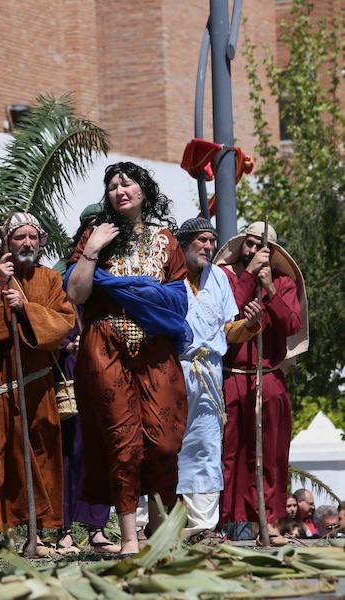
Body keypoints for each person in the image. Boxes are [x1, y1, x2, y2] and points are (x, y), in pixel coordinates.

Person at [65, 162, 190, 555]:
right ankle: (131, 540)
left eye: (127, 183)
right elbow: (77, 294)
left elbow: (177, 299)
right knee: (124, 443)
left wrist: (143, 293)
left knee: (165, 442)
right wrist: (91, 250)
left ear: (143, 190)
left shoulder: (165, 239)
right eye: (113, 185)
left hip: (155, 349)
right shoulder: (95, 235)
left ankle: (160, 530)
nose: (120, 190)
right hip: (107, 346)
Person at [0, 212, 75, 558]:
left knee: (41, 455)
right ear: (6, 242)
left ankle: (38, 533)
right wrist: (0, 289)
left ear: (41, 242)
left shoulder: (49, 278)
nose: (26, 243)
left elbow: (63, 323)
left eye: (32, 237)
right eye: (19, 237)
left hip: (37, 384)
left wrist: (26, 309)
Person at [215, 222, 307, 536]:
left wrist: (269, 289)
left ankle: (273, 524)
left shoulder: (282, 282)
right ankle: (232, 525)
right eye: (250, 243)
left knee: (272, 456)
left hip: (268, 378)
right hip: (233, 378)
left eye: (260, 246)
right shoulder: (225, 277)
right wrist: (248, 277)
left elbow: (293, 323)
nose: (253, 250)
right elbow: (221, 316)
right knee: (231, 456)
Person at [175, 218, 263, 536]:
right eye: (202, 240)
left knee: (205, 446)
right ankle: (152, 522)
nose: (210, 247)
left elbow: (229, 331)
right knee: (162, 444)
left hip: (209, 372)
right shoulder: (167, 276)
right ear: (183, 243)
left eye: (212, 241)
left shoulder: (220, 280)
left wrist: (250, 325)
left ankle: (201, 525)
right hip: (170, 368)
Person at [53, 203, 119, 555]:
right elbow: (47, 319)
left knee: (104, 450)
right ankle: (63, 530)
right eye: (92, 228)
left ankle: (96, 528)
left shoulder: (115, 275)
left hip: (108, 370)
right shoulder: (61, 275)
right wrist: (67, 342)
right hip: (72, 369)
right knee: (70, 450)